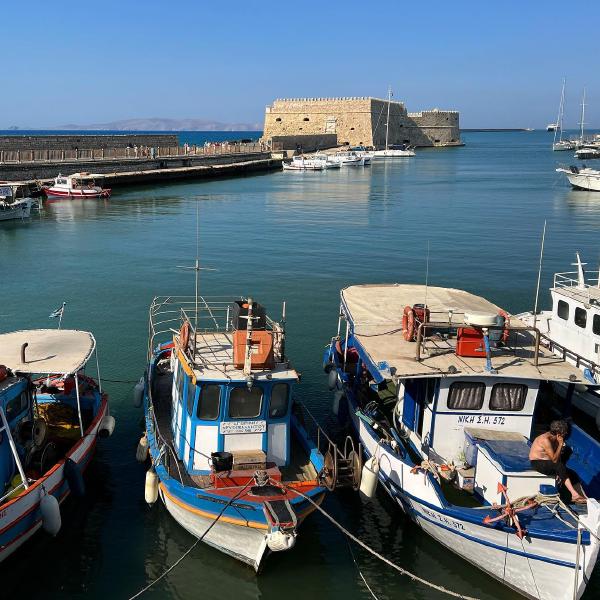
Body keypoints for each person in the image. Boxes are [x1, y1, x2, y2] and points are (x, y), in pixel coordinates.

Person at [529, 420, 586, 503]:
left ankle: (580, 496)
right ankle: (574, 494)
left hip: (550, 463)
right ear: (559, 434)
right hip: (538, 463)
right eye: (565, 434)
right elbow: (555, 460)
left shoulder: (554, 438)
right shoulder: (545, 440)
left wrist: (559, 472)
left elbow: (557, 458)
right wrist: (560, 444)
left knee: (572, 472)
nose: (566, 435)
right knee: (559, 466)